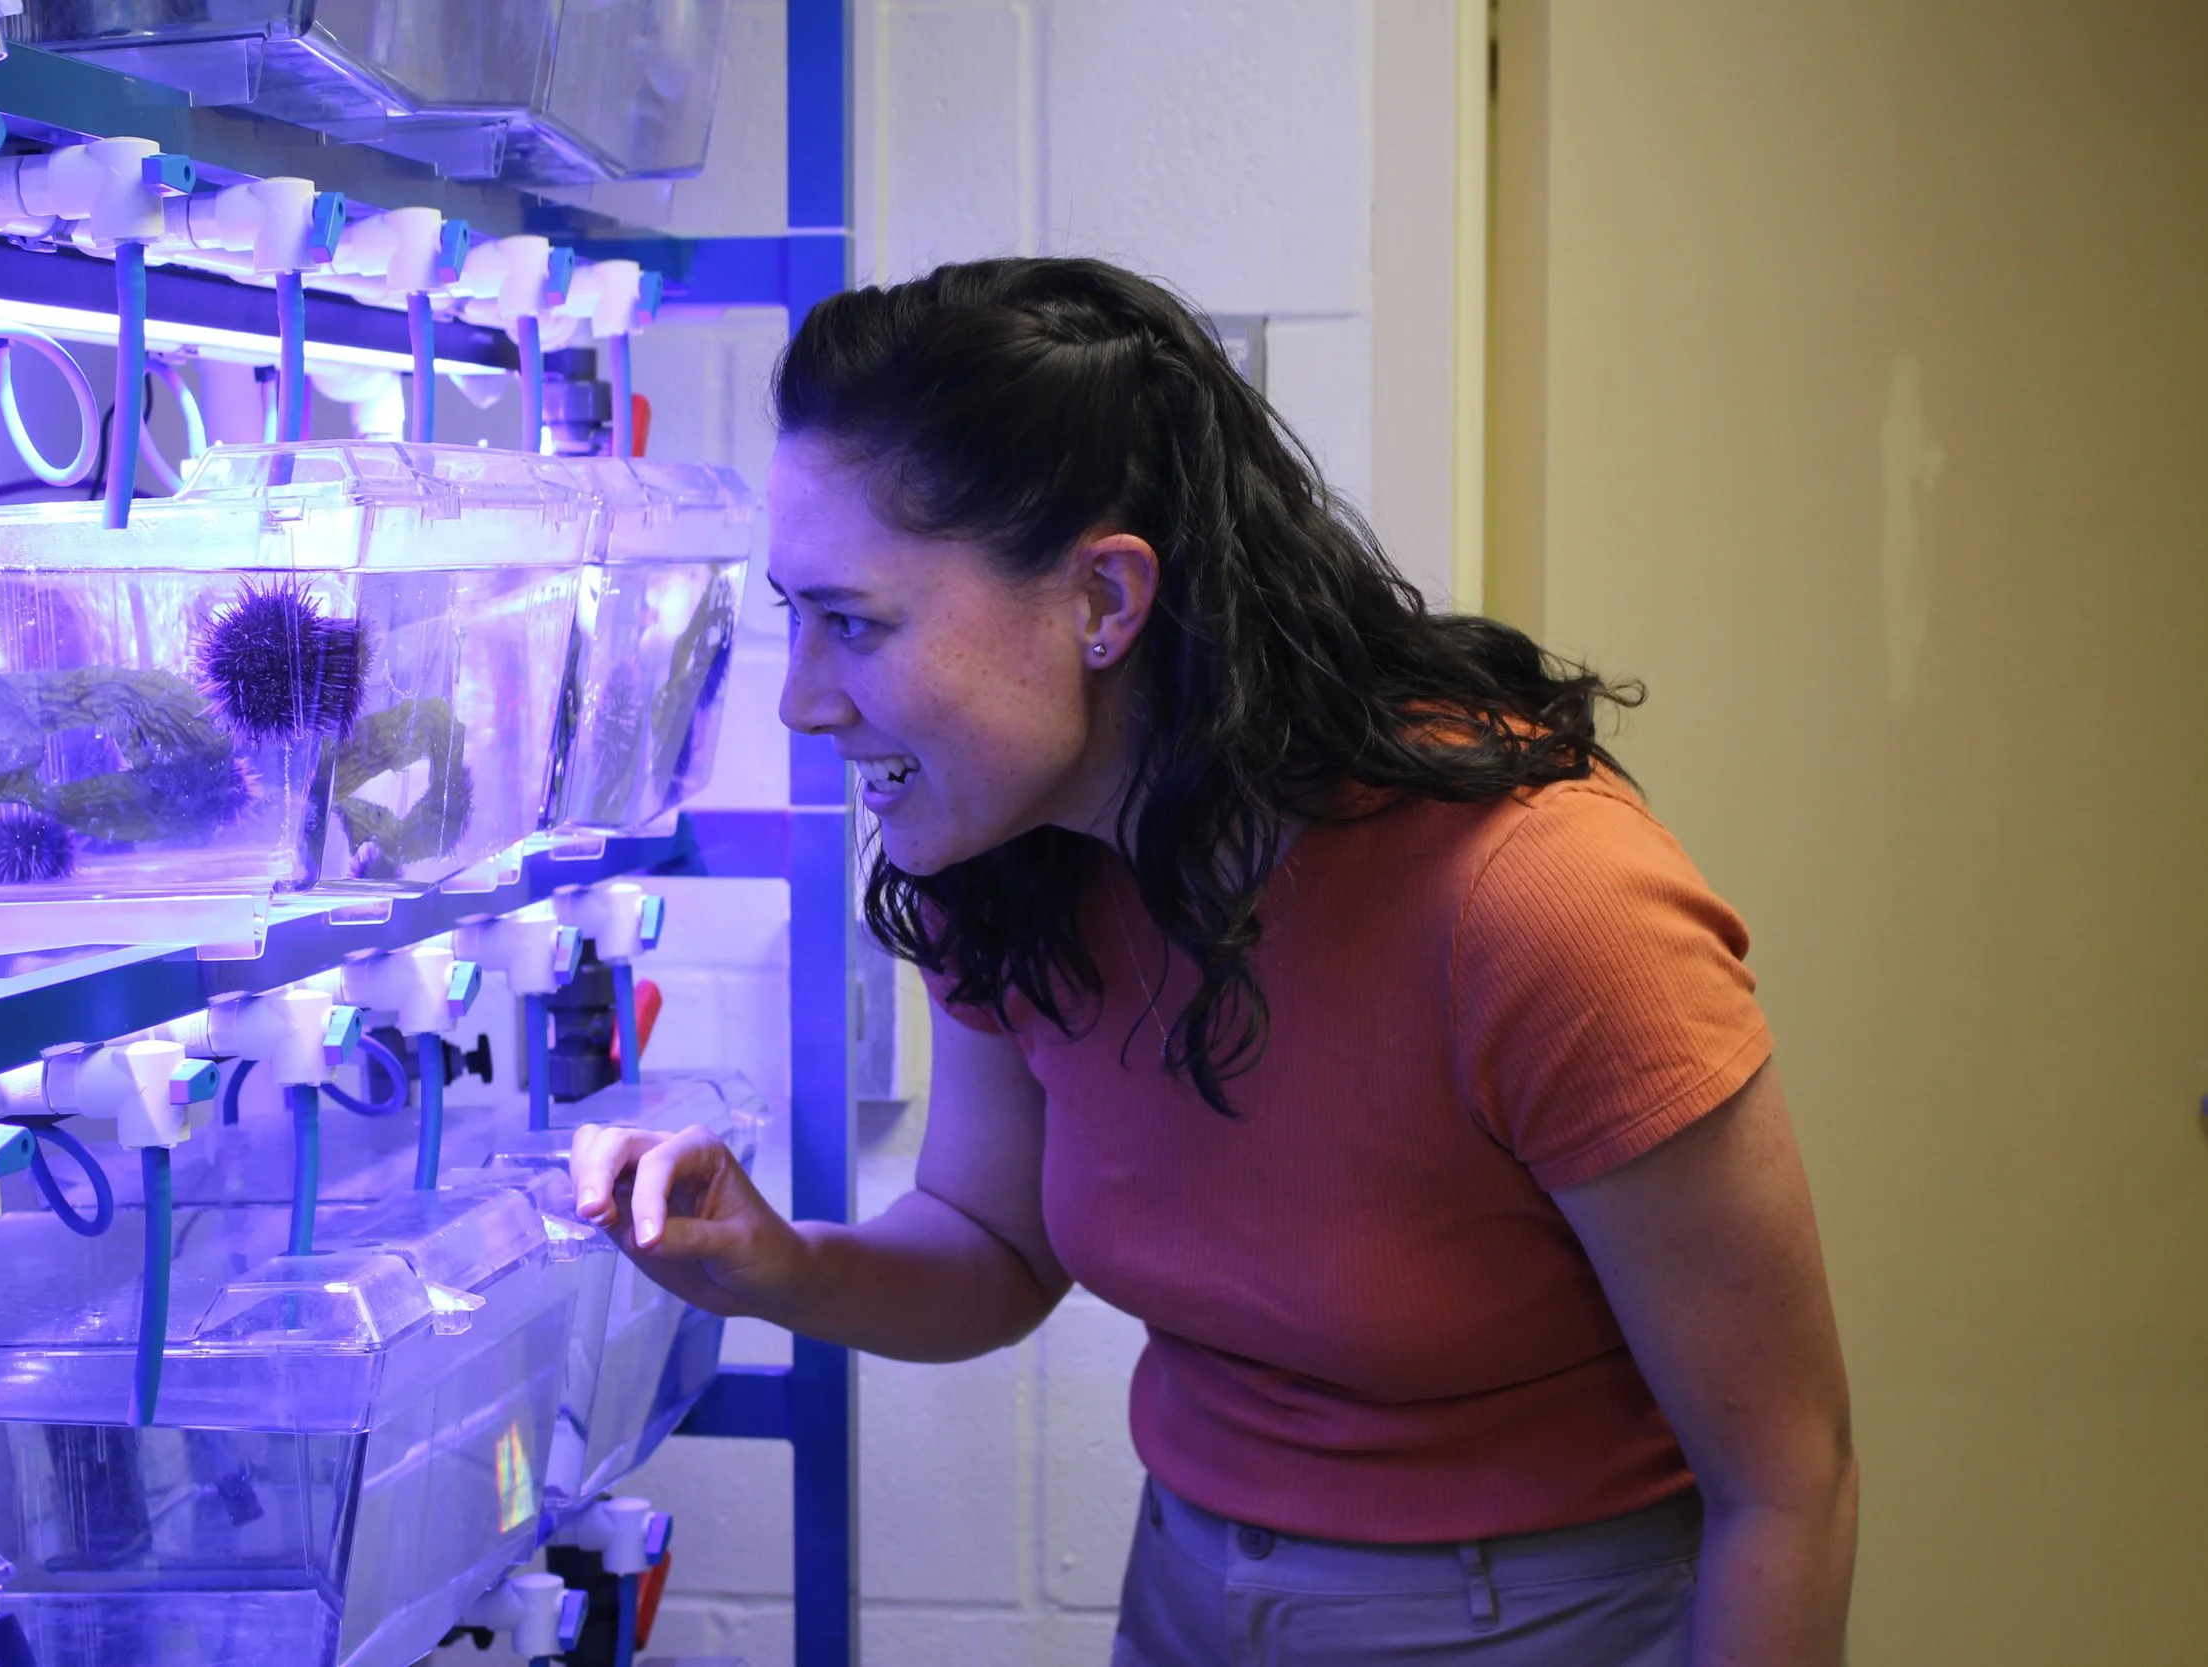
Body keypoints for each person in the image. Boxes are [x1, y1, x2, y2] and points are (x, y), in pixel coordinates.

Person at [571, 257, 1856, 1665]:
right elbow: (997, 1249)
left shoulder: (1544, 902)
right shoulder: (1011, 849)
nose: (803, 699)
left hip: (1535, 1619)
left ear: (1104, 601)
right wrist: (772, 1263)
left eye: (858, 624)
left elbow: (1786, 1484)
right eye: (794, 617)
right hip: (1185, 1585)